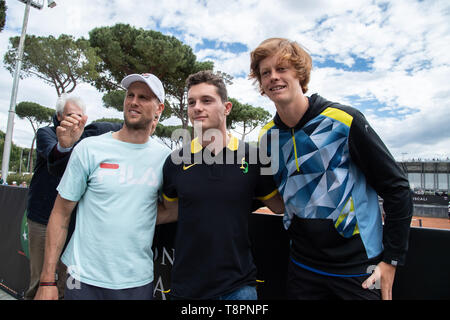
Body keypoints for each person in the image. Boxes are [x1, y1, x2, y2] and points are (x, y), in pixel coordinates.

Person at [249, 38, 413, 300]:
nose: (273, 77)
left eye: (282, 69)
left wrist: (391, 261)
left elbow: (398, 189)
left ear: (299, 74)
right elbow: (277, 196)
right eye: (265, 72)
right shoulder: (267, 137)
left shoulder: (344, 120)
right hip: (302, 268)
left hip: (358, 269)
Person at [35, 73, 171, 300]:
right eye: (130, 95)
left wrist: (138, 213)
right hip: (81, 278)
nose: (134, 101)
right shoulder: (89, 148)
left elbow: (172, 208)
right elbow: (61, 213)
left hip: (137, 282)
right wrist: (47, 280)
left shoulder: (165, 158)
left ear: (159, 109)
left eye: (144, 97)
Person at [159, 70, 285, 300]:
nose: (197, 107)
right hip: (186, 288)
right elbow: (169, 211)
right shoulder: (174, 162)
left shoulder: (254, 158)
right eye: (192, 102)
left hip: (238, 287)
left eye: (206, 100)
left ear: (227, 108)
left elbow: (279, 206)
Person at [24, 94, 88, 300]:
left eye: (79, 116)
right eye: (70, 115)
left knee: (64, 287)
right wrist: (65, 144)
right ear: (59, 117)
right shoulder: (46, 133)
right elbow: (54, 153)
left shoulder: (87, 140)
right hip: (43, 220)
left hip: (72, 225)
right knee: (41, 283)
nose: (74, 120)